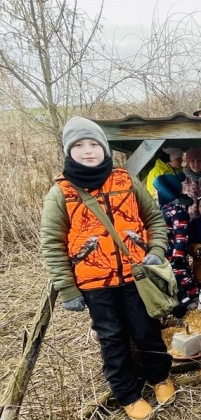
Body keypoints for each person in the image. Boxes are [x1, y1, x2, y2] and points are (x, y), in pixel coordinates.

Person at [40, 117, 174, 420]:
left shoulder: (125, 180)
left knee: (146, 329)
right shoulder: (60, 193)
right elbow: (52, 245)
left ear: (104, 148)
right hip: (94, 283)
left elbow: (154, 217)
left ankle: (160, 377)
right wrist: (68, 288)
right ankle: (127, 394)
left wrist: (155, 250)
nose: (88, 151)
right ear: (68, 151)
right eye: (79, 145)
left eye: (93, 144)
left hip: (136, 275)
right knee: (112, 338)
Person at [153, 174, 200, 317]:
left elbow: (181, 234)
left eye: (157, 191)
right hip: (165, 254)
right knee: (171, 280)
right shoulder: (164, 210)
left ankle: (193, 299)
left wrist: (178, 255)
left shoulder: (178, 212)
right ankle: (181, 302)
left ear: (164, 193)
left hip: (174, 255)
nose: (155, 193)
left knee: (182, 277)